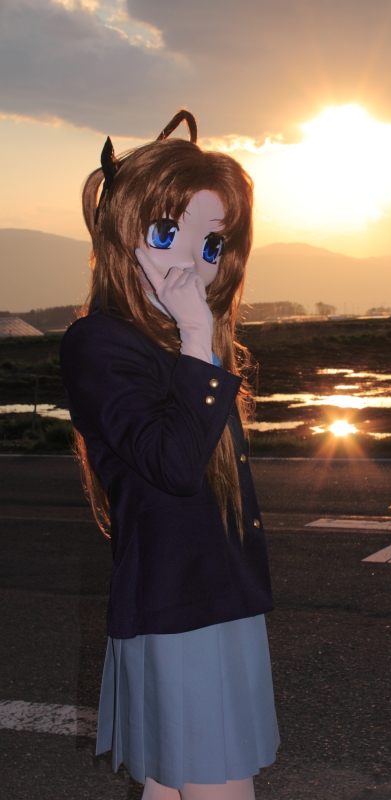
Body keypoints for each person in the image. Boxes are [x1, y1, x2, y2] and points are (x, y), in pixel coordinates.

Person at [60, 110, 279, 800]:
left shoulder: (180, 344)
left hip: (210, 596)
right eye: (165, 233)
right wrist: (194, 336)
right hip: (179, 604)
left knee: (170, 785)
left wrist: (194, 341)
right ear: (120, 233)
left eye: (210, 244)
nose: (190, 261)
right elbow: (172, 465)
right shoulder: (101, 342)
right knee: (213, 784)